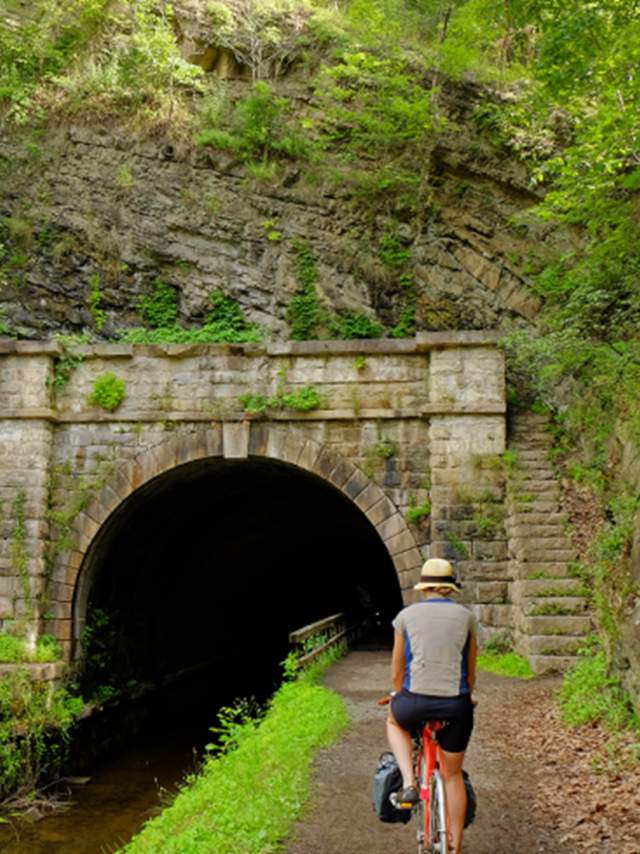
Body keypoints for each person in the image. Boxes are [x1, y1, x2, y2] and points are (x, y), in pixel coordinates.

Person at [385, 558, 477, 854]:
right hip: (456, 706)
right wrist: (468, 694)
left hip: (414, 703)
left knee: (393, 720)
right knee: (452, 775)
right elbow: (470, 672)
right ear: (450, 587)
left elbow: (398, 672)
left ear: (423, 587)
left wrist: (398, 694)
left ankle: (410, 783)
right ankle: (456, 846)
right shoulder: (467, 618)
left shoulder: (405, 617)